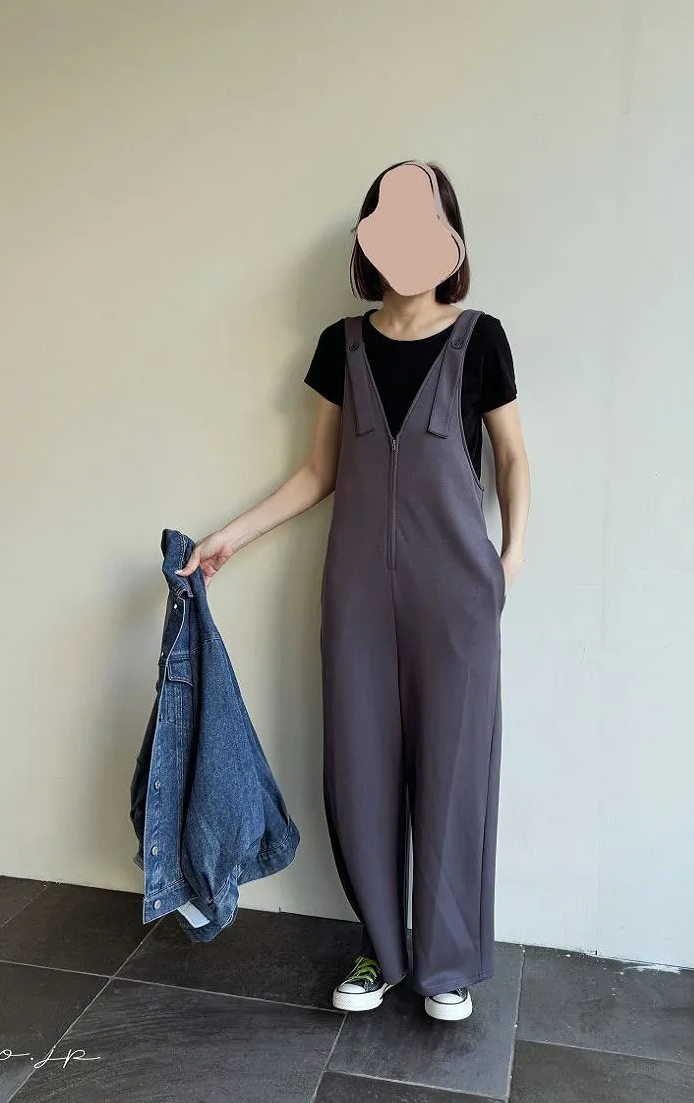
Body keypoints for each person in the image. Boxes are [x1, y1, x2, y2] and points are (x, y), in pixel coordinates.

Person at [178, 160, 530, 1022]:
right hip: (357, 594)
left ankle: (445, 964)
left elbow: (512, 456)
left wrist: (510, 560)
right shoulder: (341, 345)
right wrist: (232, 535)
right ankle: (381, 948)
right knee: (360, 769)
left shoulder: (481, 339)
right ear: (368, 242)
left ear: (450, 240)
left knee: (454, 771)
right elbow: (318, 472)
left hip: (457, 594)